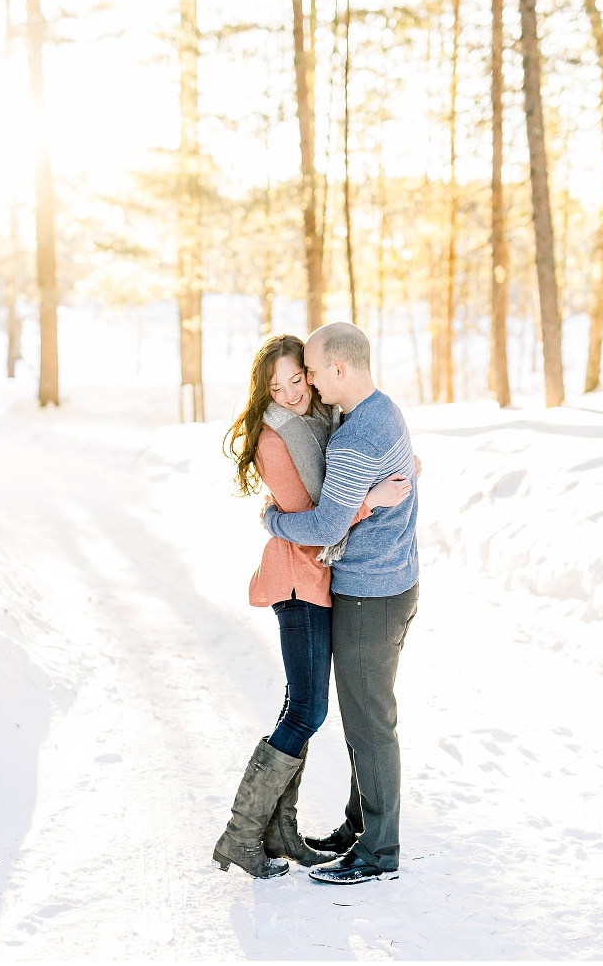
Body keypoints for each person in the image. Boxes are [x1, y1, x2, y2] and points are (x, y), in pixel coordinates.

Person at [212, 334, 413, 880]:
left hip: (325, 581)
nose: (292, 392)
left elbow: (372, 468)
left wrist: (394, 474)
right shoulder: (278, 439)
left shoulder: (332, 422)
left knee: (309, 707)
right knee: (308, 710)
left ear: (314, 373)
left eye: (298, 379)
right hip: (298, 580)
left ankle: (280, 831)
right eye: (276, 387)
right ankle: (242, 833)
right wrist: (368, 501)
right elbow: (314, 520)